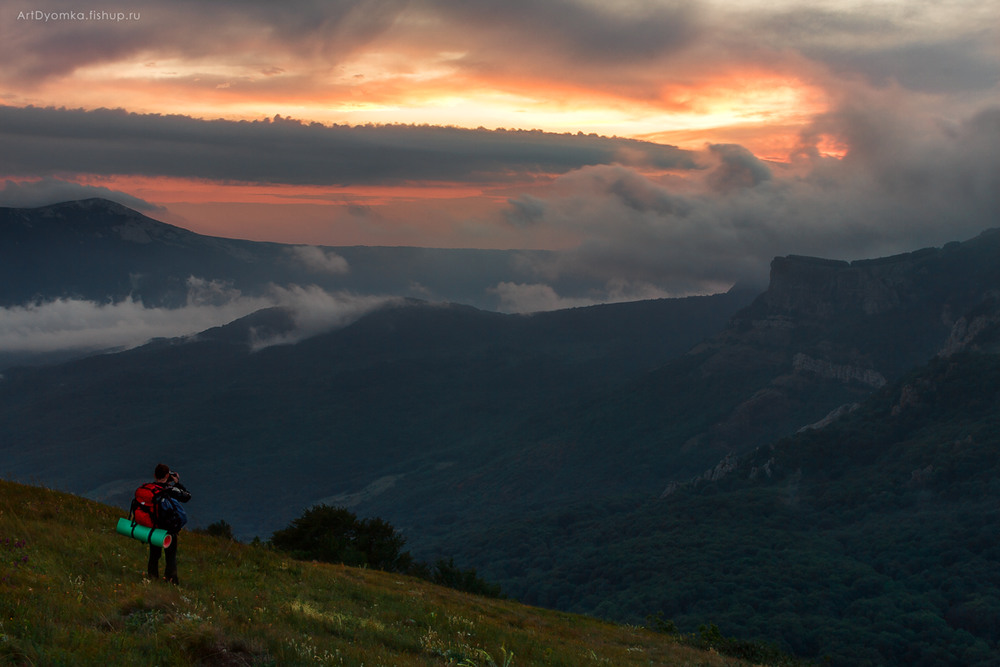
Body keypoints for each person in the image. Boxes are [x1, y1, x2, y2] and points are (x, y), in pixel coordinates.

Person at [146, 463, 191, 584]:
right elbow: (187, 496)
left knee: (154, 555)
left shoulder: (150, 489)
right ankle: (171, 581)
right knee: (170, 556)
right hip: (169, 529)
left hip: (154, 527)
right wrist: (177, 483)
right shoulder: (169, 490)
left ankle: (152, 578)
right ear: (167, 475)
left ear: (155, 475)